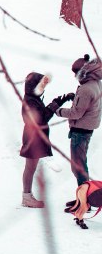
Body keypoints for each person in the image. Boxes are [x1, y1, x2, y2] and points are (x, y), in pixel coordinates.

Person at [19, 72, 71, 207]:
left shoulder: (33, 98)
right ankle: (26, 197)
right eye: (41, 85)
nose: (43, 88)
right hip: (32, 138)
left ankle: (27, 196)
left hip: (34, 137)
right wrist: (56, 104)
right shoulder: (30, 101)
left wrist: (59, 101)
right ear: (34, 86)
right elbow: (42, 119)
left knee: (31, 168)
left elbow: (42, 115)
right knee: (30, 168)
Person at [56, 54, 102, 186]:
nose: (74, 76)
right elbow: (88, 103)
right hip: (87, 128)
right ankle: (84, 198)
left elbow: (76, 113)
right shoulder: (96, 83)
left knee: (78, 167)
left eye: (75, 73)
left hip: (80, 131)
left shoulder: (86, 89)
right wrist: (76, 98)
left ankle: (85, 199)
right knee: (81, 163)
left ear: (83, 73)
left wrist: (57, 111)